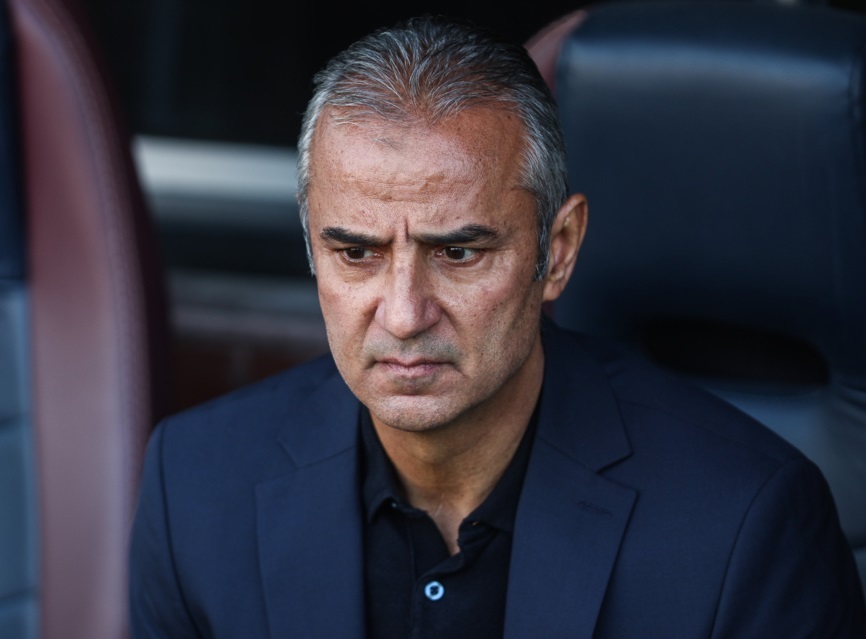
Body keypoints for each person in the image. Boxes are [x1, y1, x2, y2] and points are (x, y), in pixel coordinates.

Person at [128, 14, 866, 638]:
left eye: (458, 253)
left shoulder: (745, 525)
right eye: (356, 253)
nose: (404, 314)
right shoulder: (195, 487)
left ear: (558, 251)